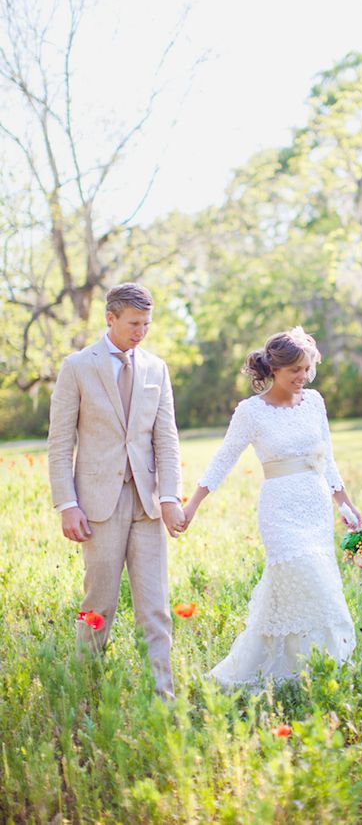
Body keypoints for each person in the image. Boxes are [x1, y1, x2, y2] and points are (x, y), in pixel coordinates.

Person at [182, 327, 362, 689]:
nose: (303, 377)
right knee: (305, 577)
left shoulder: (315, 402)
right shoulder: (251, 412)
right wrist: (192, 506)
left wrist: (344, 503)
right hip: (280, 511)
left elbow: (326, 457)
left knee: (315, 586)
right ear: (274, 369)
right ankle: (271, 669)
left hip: (314, 507)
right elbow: (223, 459)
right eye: (295, 370)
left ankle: (313, 669)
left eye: (307, 368)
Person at [47, 282, 185, 701]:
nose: (141, 331)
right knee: (98, 606)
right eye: (133, 323)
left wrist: (170, 497)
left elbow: (167, 438)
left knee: (155, 608)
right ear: (110, 318)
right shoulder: (77, 366)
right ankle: (86, 695)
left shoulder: (156, 368)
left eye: (146, 323)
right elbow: (59, 442)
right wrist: (67, 504)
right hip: (97, 506)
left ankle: (162, 700)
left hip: (146, 504)